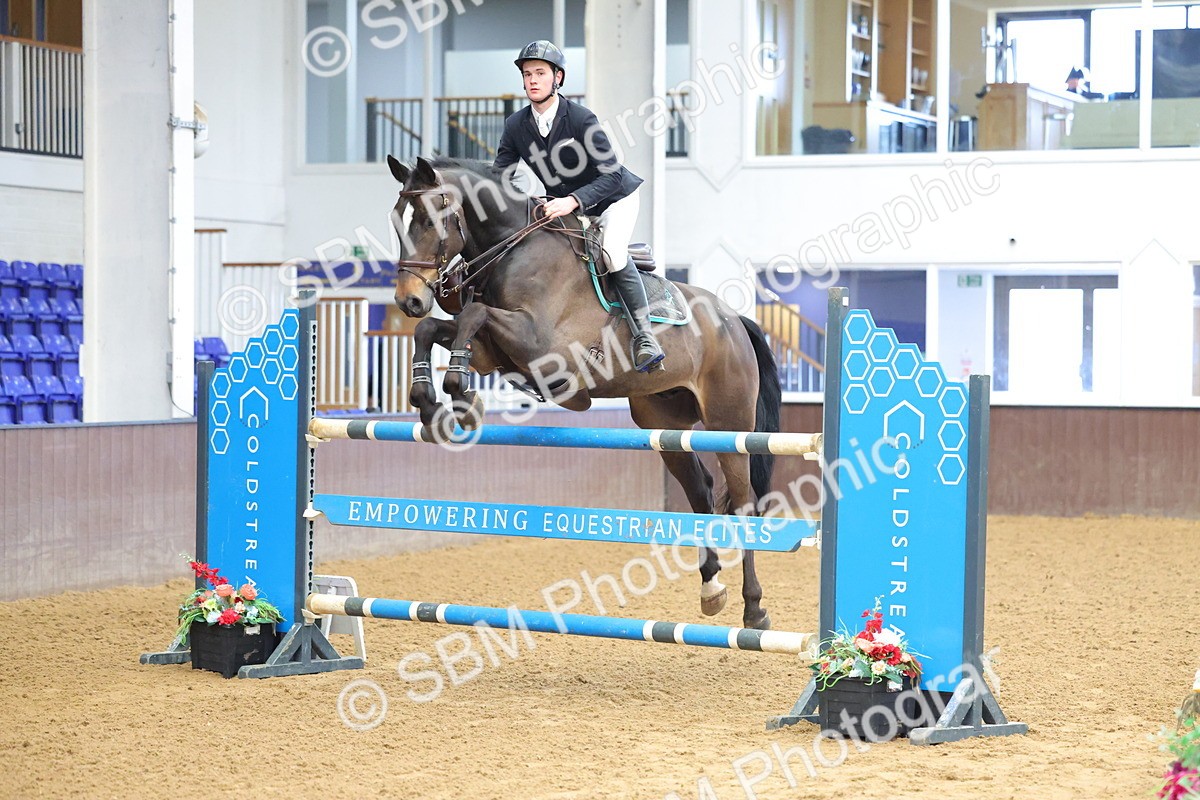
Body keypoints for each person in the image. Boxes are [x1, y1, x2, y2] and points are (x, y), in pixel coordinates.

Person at [493, 40, 665, 372]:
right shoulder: (516, 125)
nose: (532, 80)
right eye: (527, 74)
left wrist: (572, 200)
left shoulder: (581, 119)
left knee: (613, 251)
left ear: (558, 78)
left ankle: (645, 336)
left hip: (614, 199)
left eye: (540, 73)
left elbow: (612, 175)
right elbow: (500, 176)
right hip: (567, 208)